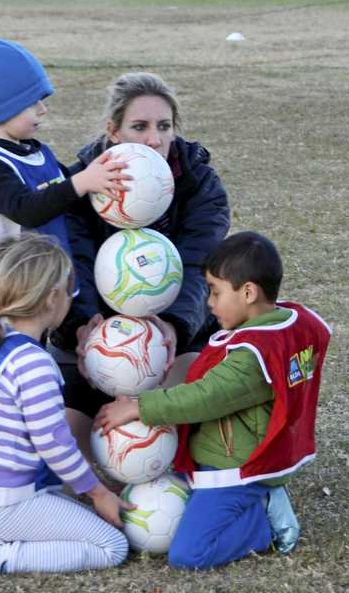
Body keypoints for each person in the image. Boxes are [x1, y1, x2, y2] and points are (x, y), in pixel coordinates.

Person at [96, 232, 331, 569]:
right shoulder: (284, 325)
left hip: (235, 470)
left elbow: (204, 397)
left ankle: (265, 520)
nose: (209, 302)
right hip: (232, 451)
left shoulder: (253, 357)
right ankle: (262, 497)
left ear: (248, 293)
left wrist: (139, 406)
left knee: (188, 555)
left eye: (216, 292)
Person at [0, 234, 131, 581]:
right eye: (68, 288)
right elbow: (54, 444)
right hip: (3, 503)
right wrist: (99, 492)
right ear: (51, 298)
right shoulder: (33, 362)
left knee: (71, 513)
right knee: (111, 546)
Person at [53, 71, 230, 449]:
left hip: (178, 331)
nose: (155, 139)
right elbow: (73, 263)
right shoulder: (80, 184)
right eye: (140, 126)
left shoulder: (200, 184)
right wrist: (83, 327)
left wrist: (172, 326)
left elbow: (200, 266)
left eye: (164, 126)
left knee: (171, 416)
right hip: (98, 332)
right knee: (64, 442)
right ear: (113, 132)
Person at [0, 37, 128, 326]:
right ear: (2, 108)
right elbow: (27, 209)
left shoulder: (33, 149)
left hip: (34, 282)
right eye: (33, 103)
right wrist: (81, 181)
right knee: (0, 362)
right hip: (3, 292)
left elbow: (60, 188)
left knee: (32, 354)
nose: (43, 109)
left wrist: (96, 176)